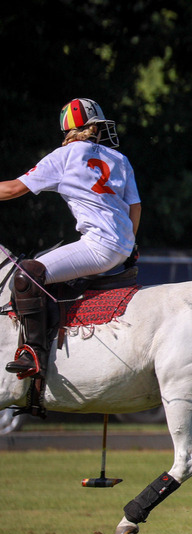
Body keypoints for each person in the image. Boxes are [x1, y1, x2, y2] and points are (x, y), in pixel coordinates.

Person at [0, 98, 141, 379]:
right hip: (123, 246)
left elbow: (13, 189)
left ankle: (33, 352)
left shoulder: (64, 156)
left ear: (68, 131)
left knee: (27, 275)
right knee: (43, 263)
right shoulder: (120, 159)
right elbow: (135, 207)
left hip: (98, 247)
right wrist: (130, 245)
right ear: (95, 128)